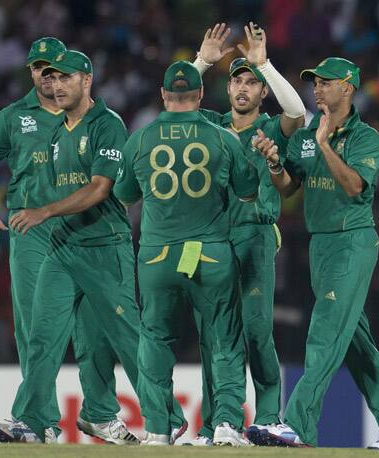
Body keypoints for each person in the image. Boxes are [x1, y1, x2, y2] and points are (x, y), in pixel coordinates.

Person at [0, 38, 141, 444]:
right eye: (40, 68)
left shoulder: (91, 117)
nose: (47, 76)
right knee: (34, 329)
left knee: (92, 330)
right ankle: (38, 421)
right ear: (30, 73)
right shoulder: (13, 117)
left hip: (85, 228)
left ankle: (99, 414)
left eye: (54, 69)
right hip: (32, 232)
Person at [3, 50, 186, 444]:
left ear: (87, 80)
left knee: (128, 336)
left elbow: (100, 189)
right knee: (43, 334)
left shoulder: (108, 125)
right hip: (63, 248)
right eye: (51, 79)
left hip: (105, 247)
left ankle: (167, 416)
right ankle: (32, 422)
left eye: (66, 78)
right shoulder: (55, 132)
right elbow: (58, 186)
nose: (56, 86)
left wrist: (44, 211)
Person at [253, 57, 379, 449]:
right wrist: (275, 163)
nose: (317, 88)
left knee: (325, 331)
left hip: (353, 241)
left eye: (325, 82)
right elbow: (289, 187)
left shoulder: (366, 139)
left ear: (347, 87)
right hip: (320, 244)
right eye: (315, 82)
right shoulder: (306, 135)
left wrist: (326, 143)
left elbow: (355, 186)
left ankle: (298, 424)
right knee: (355, 340)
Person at [114, 61, 259, 446]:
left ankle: (159, 428)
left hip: (157, 257)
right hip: (210, 255)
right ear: (200, 96)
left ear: (163, 95)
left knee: (155, 340)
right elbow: (248, 191)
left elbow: (125, 196)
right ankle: (227, 424)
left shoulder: (140, 139)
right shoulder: (223, 138)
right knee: (224, 339)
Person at [184, 23, 305, 445]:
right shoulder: (210, 125)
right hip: (208, 239)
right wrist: (201, 62)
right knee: (211, 335)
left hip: (253, 236)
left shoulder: (273, 128)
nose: (243, 86)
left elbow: (298, 114)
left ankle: (269, 414)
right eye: (237, 79)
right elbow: (176, 99)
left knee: (254, 330)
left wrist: (264, 64)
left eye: (251, 83)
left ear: (262, 93)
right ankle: (214, 424)